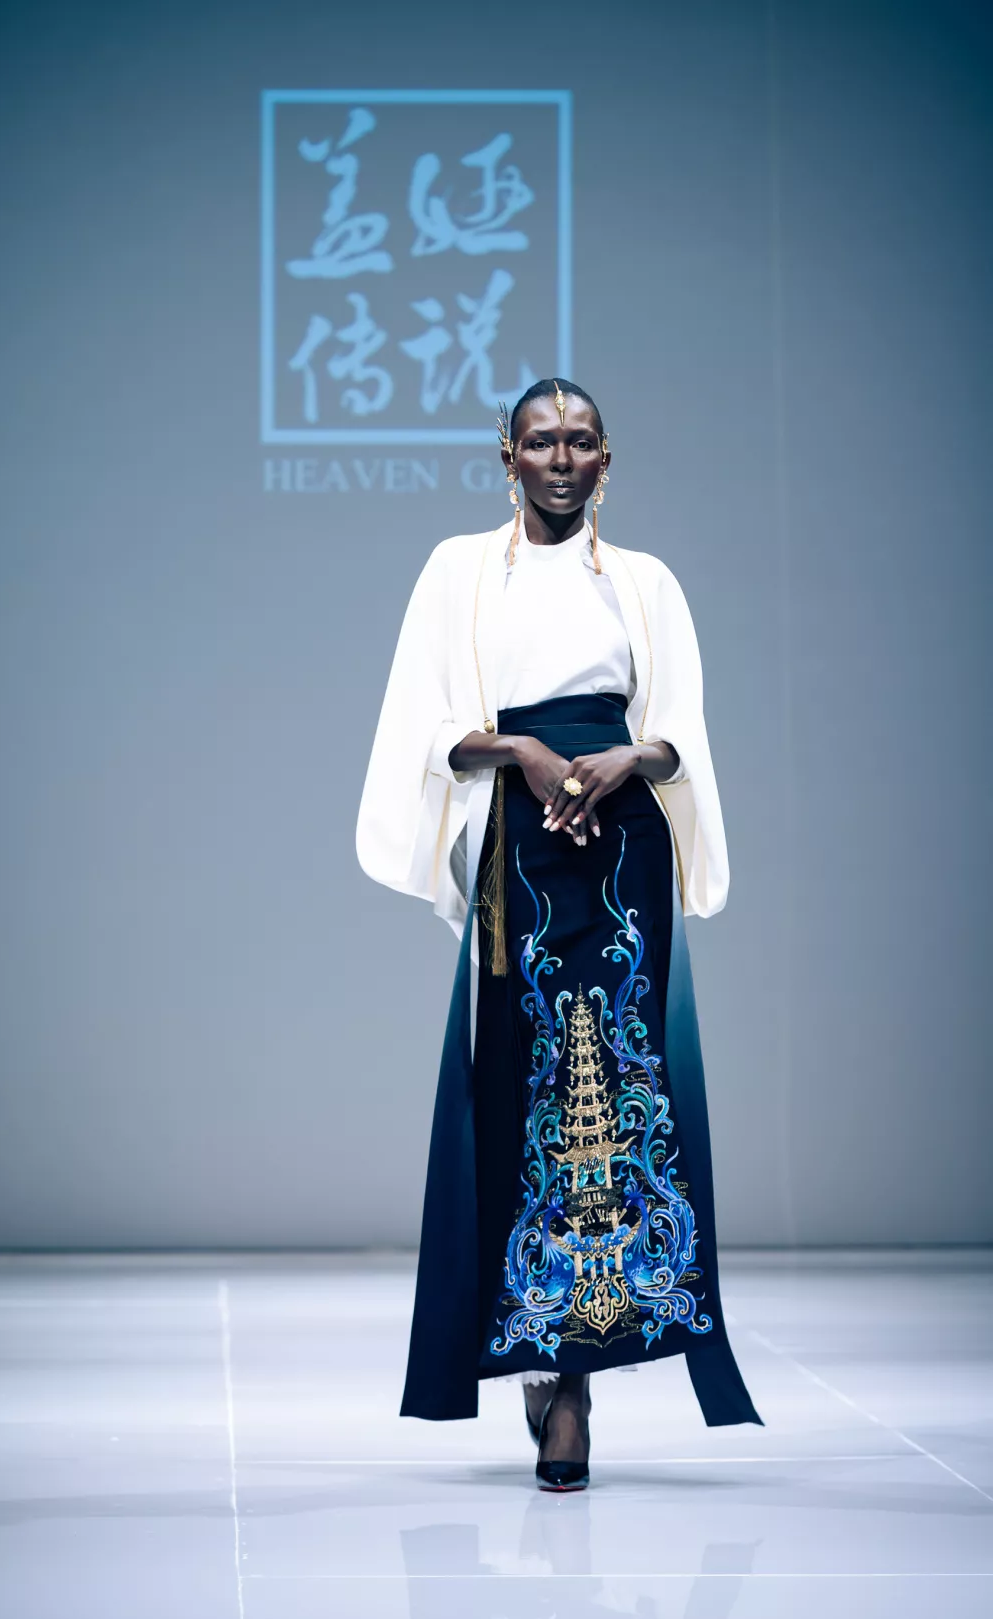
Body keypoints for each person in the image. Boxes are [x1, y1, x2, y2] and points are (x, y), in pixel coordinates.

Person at [356, 378, 762, 1491]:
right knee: (528, 1087)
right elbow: (426, 725)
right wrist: (524, 755)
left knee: (621, 1090)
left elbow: (680, 734)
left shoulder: (646, 582)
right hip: (518, 845)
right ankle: (542, 1360)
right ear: (508, 457)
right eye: (542, 441)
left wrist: (626, 760)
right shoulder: (458, 571)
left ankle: (577, 1375)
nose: (562, 458)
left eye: (582, 441)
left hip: (621, 847)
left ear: (606, 459)